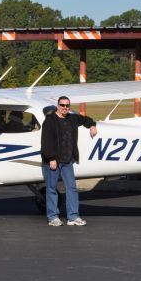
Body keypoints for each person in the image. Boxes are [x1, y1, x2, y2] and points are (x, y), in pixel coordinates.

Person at [41, 96, 97, 227]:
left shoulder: (72, 118)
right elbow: (46, 141)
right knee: (51, 189)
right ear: (58, 105)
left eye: (67, 105)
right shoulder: (49, 121)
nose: (65, 108)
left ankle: (73, 216)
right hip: (53, 161)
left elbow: (86, 119)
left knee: (72, 188)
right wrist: (51, 158)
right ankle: (52, 217)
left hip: (68, 161)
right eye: (62, 105)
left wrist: (93, 126)